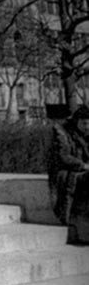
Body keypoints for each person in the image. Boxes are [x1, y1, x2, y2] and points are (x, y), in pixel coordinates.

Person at [48, 104, 89, 245]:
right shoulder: (62, 132)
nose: (87, 127)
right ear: (77, 121)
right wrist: (84, 165)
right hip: (65, 172)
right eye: (84, 123)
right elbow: (63, 156)